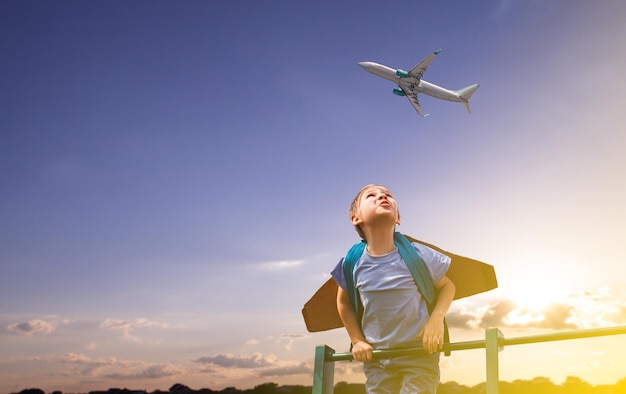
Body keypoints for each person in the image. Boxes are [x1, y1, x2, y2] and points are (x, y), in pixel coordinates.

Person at [331, 184, 456, 394]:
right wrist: (357, 340)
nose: (382, 196)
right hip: (377, 357)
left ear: (397, 217)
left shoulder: (417, 254)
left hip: (419, 352)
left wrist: (436, 320)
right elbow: (343, 301)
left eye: (388, 194)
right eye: (372, 195)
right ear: (356, 218)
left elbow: (447, 286)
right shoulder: (351, 262)